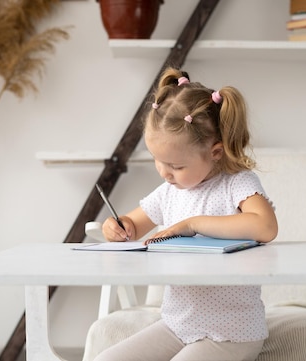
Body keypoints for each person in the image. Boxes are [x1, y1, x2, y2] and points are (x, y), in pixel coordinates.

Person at [95, 67, 278, 361]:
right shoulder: (170, 191)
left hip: (233, 332)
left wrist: (193, 224)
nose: (165, 173)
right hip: (177, 325)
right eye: (158, 161)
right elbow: (133, 226)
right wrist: (118, 227)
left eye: (176, 166)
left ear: (215, 152)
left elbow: (266, 226)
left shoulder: (236, 183)